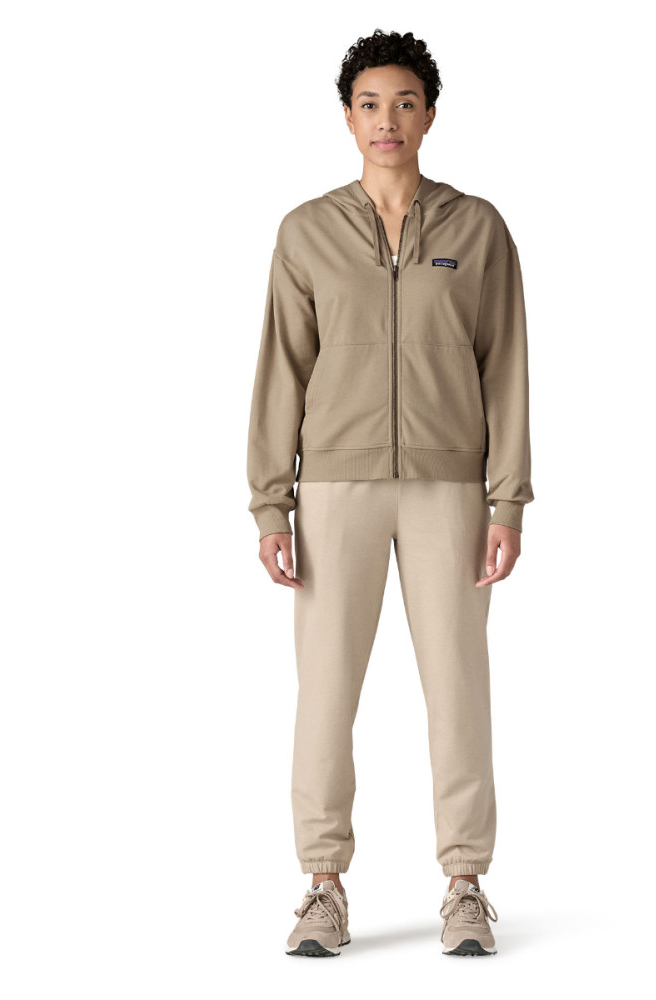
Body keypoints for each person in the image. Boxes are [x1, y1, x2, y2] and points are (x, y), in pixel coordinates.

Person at [245, 28, 534, 957]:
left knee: (458, 688)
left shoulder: (478, 229)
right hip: (336, 487)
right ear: (347, 117)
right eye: (370, 104)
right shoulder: (306, 232)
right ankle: (323, 886)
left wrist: (507, 500)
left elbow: (506, 370)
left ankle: (465, 884)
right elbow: (281, 374)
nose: (387, 120)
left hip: (450, 488)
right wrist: (270, 504)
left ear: (430, 115)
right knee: (326, 693)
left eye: (405, 102)